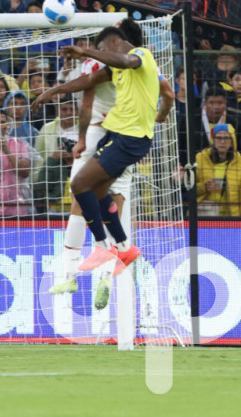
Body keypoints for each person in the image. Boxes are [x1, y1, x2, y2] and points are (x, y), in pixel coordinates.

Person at [51, 20, 173, 308]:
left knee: (80, 193)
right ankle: (112, 265)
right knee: (108, 196)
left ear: (115, 42)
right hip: (122, 133)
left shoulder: (128, 59)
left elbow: (87, 100)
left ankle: (74, 270)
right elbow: (168, 93)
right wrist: (161, 116)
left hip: (108, 131)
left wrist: (81, 139)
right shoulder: (143, 65)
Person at [196, 123, 241, 217]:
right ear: (213, 140)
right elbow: (190, 190)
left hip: (230, 217)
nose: (222, 142)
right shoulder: (200, 158)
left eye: (226, 138)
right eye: (218, 138)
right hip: (204, 215)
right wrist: (204, 187)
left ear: (232, 141)